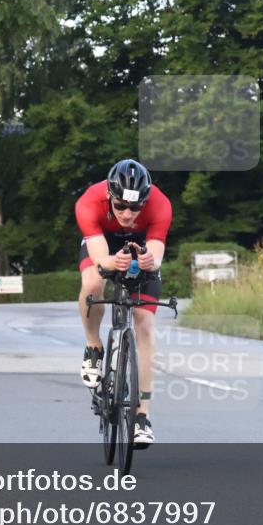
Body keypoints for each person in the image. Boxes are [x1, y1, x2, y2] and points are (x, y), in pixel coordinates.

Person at [75, 159, 172, 447]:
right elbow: (100, 259)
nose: (128, 214)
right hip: (104, 244)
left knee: (145, 326)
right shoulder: (89, 201)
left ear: (146, 200)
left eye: (136, 207)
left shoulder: (160, 204)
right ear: (109, 196)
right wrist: (111, 262)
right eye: (120, 206)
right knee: (92, 282)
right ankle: (93, 346)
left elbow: (156, 256)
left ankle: (142, 416)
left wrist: (149, 261)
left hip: (141, 245)